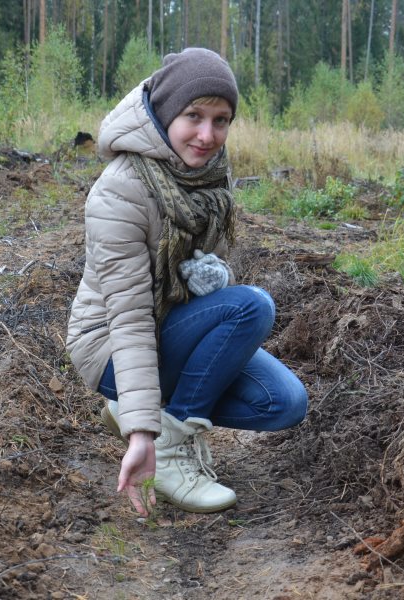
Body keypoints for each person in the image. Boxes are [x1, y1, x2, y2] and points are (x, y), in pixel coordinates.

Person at [66, 48, 308, 516]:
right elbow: (131, 318)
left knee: (284, 403)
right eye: (193, 116)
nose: (207, 134)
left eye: (221, 120)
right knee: (251, 307)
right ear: (162, 113)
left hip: (171, 327)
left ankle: (141, 411)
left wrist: (209, 276)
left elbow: (197, 283)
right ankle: (171, 448)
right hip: (111, 347)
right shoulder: (121, 192)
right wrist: (144, 434)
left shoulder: (207, 177)